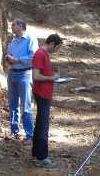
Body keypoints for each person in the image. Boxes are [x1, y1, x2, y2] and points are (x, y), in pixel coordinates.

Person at [31, 34, 62, 168]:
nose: (56, 51)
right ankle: (42, 158)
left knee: (40, 124)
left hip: (44, 93)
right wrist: (52, 78)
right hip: (42, 94)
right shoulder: (40, 54)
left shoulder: (44, 54)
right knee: (43, 126)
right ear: (52, 44)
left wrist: (53, 75)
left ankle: (36, 153)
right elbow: (36, 75)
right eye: (56, 48)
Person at [6, 19, 37, 143]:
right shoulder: (13, 41)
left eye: (14, 25)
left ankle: (30, 135)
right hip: (12, 73)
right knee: (13, 104)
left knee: (26, 106)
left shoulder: (30, 39)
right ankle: (15, 131)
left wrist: (17, 60)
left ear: (21, 26)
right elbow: (9, 53)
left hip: (25, 73)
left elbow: (33, 57)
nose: (12, 27)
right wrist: (8, 58)